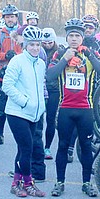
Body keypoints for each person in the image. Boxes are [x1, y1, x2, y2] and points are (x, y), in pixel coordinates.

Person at [46, 18, 100, 197]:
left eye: (77, 36)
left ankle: (86, 183)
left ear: (82, 37)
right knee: (63, 146)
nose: (74, 39)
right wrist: (64, 60)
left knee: (86, 145)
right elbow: (50, 76)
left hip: (85, 109)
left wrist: (89, 55)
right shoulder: (59, 54)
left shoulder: (90, 53)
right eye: (71, 36)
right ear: (66, 38)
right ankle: (59, 182)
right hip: (65, 108)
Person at [1, 25, 46, 197]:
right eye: (31, 45)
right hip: (17, 112)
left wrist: (40, 107)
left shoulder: (41, 63)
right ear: (25, 45)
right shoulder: (17, 61)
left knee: (22, 149)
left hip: (34, 113)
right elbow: (7, 85)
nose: (35, 48)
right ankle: (28, 183)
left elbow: (39, 87)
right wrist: (24, 102)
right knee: (27, 147)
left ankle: (16, 183)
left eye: (37, 45)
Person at [0, 3, 22, 147]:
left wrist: (17, 55)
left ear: (16, 18)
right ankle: (0, 134)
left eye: (12, 17)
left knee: (20, 106)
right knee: (1, 107)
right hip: (3, 75)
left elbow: (30, 50)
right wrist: (5, 55)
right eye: (8, 17)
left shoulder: (22, 33)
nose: (10, 20)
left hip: (20, 76)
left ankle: (22, 136)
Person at [41, 27, 61, 160]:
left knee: (50, 120)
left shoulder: (59, 53)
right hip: (39, 89)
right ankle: (36, 146)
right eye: (45, 43)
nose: (47, 45)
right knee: (37, 119)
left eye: (50, 43)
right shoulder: (37, 50)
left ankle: (47, 147)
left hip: (54, 90)